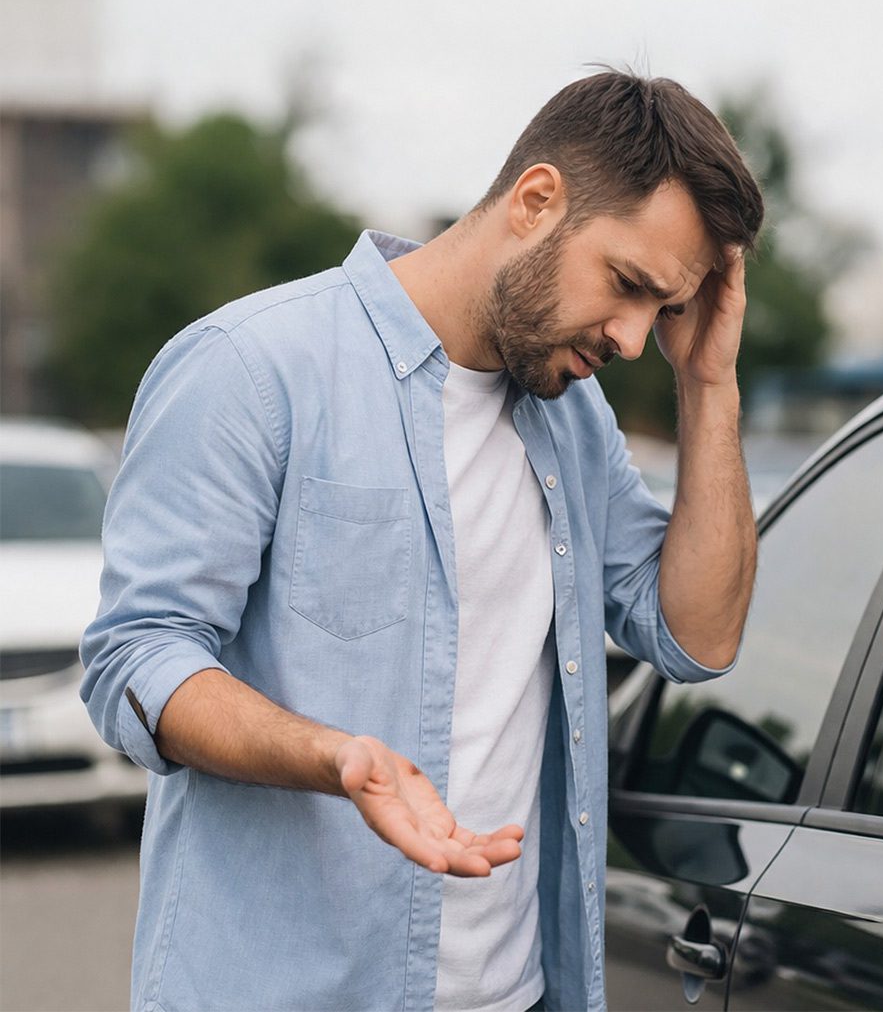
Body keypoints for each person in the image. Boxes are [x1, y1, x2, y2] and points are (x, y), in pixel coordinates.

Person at [78, 71, 761, 1012]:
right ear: (536, 201)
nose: (637, 338)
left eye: (666, 310)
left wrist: (711, 387)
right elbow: (135, 658)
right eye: (628, 286)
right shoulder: (253, 368)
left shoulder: (575, 421)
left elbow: (696, 635)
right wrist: (332, 756)